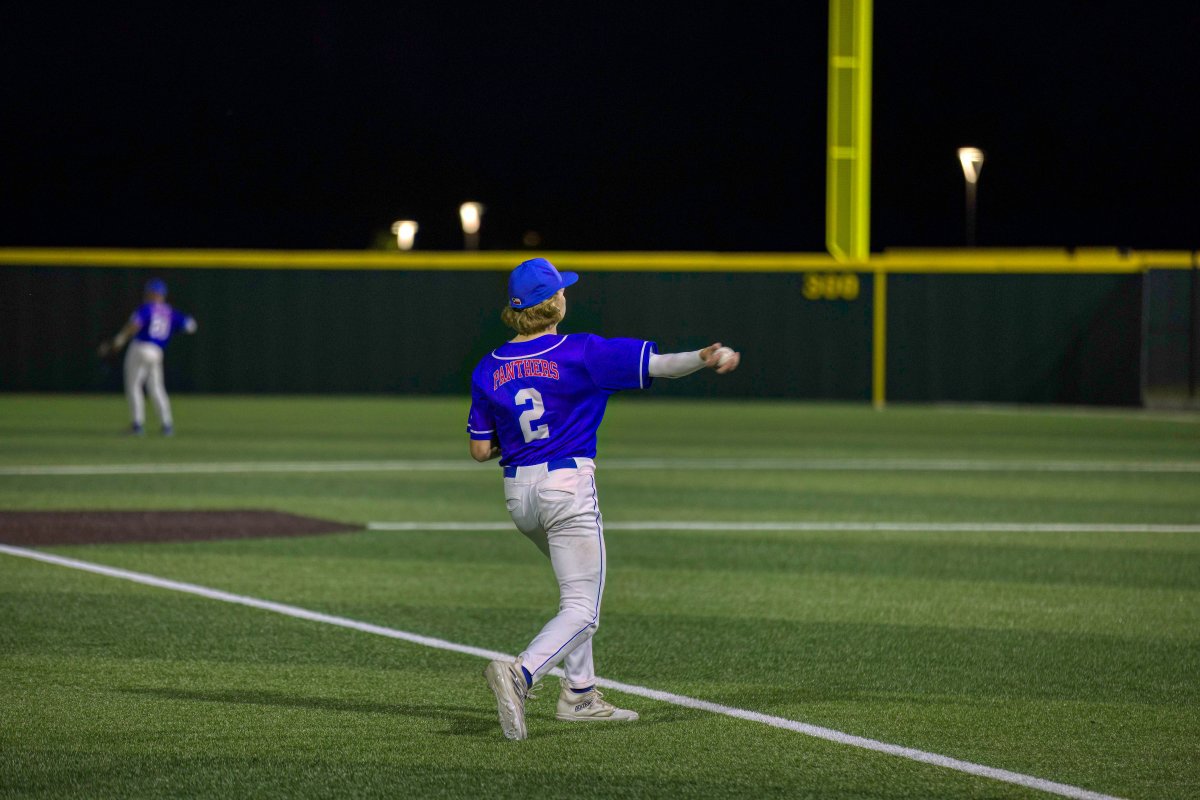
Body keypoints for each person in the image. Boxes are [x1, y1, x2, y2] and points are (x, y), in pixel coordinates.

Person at [467, 257, 740, 740]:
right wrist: (704, 356)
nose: (565, 294)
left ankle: (579, 694)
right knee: (583, 609)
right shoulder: (581, 352)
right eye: (562, 290)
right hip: (566, 489)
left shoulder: (489, 367)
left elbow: (480, 450)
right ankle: (521, 673)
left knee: (573, 592)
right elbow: (660, 366)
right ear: (554, 304)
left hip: (519, 497)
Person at [97, 278, 198, 436]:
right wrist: (173, 328)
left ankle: (137, 425)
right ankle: (167, 425)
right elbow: (191, 326)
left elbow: (135, 325)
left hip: (141, 347)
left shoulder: (147, 308)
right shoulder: (170, 312)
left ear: (150, 293)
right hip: (157, 351)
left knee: (134, 386)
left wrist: (118, 340)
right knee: (157, 388)